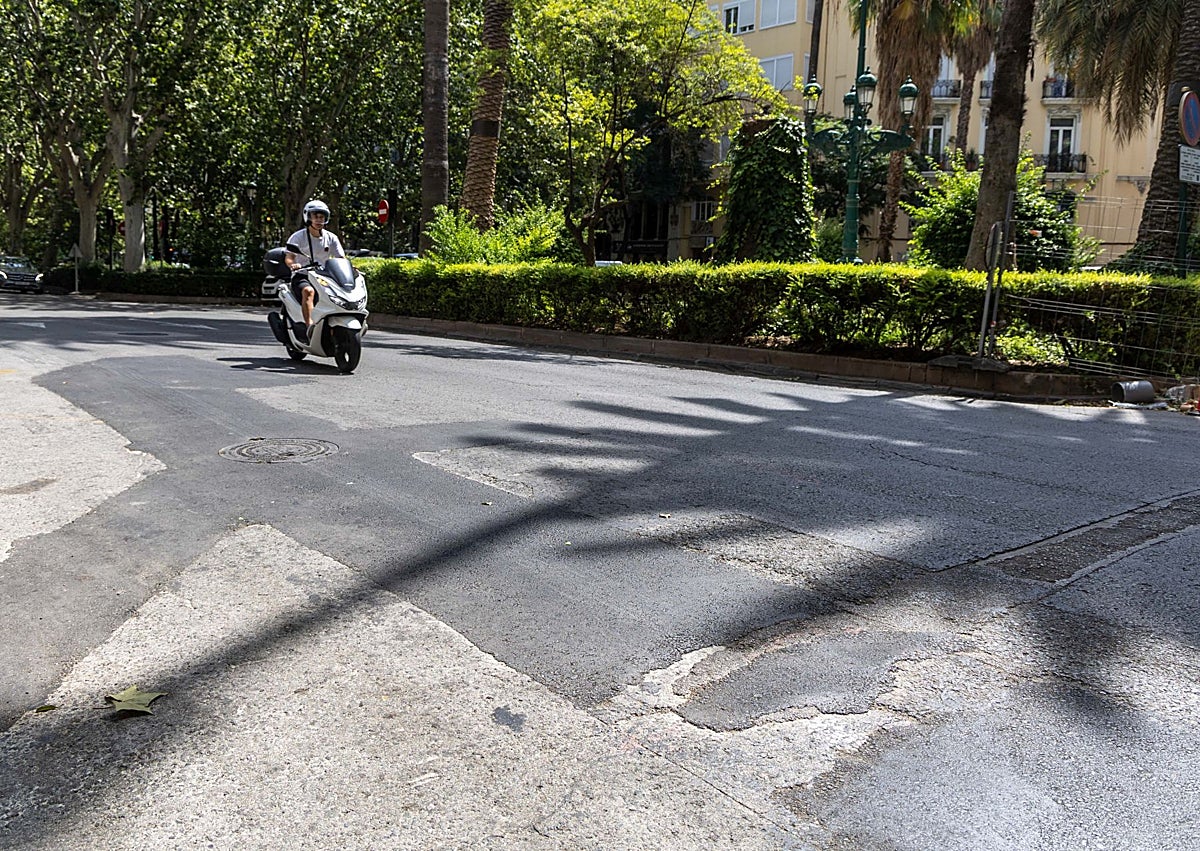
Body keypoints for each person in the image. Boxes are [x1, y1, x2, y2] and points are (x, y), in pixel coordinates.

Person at [285, 200, 346, 332]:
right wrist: (293, 265)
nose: (318, 220)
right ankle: (310, 327)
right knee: (308, 291)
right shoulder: (298, 237)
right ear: (308, 217)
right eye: (315, 216)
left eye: (322, 217)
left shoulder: (331, 238)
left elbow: (340, 258)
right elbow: (289, 257)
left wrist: (350, 268)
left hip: (323, 276)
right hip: (303, 275)